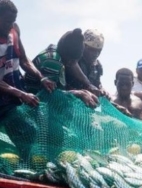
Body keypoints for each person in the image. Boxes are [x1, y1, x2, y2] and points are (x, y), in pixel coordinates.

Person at [0, 0, 56, 160]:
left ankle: (26, 165)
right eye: (6, 21)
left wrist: (42, 77)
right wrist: (21, 94)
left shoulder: (14, 30)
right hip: (4, 97)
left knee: (33, 129)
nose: (10, 25)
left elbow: (24, 59)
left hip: (16, 91)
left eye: (13, 21)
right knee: (26, 130)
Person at [24, 28, 99, 108]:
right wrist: (79, 93)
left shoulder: (58, 51)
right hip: (32, 105)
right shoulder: (52, 62)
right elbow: (50, 95)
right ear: (69, 59)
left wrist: (86, 89)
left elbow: (58, 89)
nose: (73, 65)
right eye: (73, 61)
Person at [65, 29, 108, 97]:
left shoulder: (97, 66)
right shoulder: (72, 58)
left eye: (98, 51)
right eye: (92, 50)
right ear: (83, 45)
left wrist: (101, 89)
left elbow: (97, 84)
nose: (95, 54)